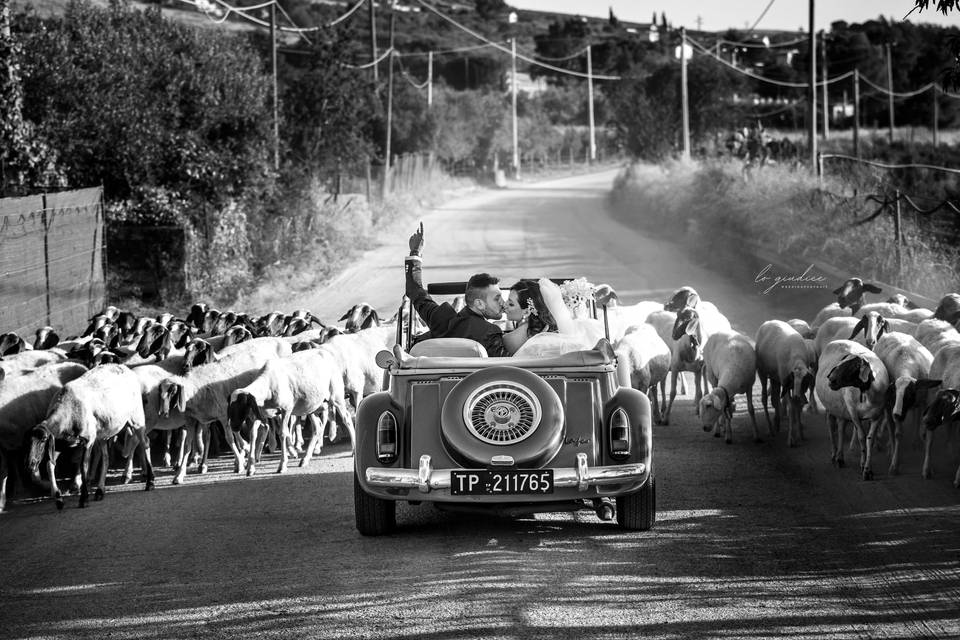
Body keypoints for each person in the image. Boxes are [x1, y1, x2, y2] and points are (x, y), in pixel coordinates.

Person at [405, 222, 510, 357]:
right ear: (479, 303)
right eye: (497, 298)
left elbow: (415, 291)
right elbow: (508, 366)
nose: (503, 302)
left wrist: (415, 252)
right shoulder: (489, 332)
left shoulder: (441, 319)